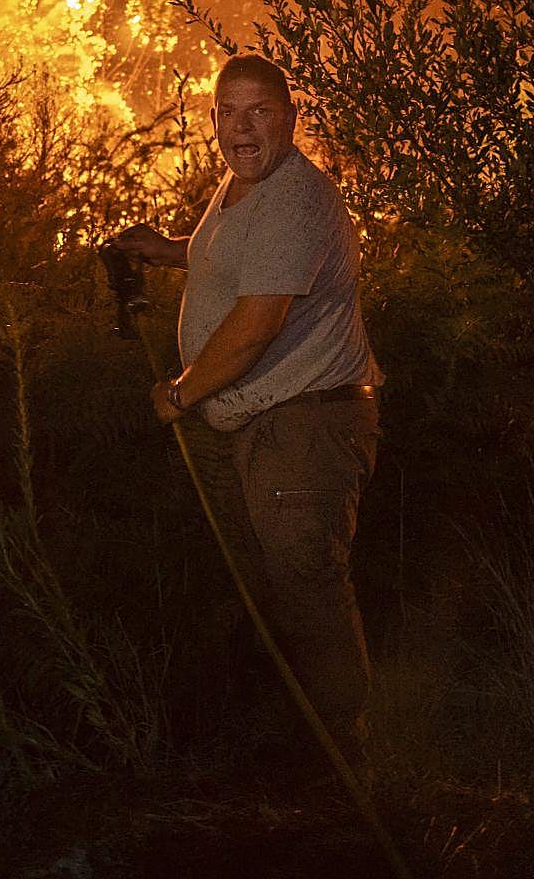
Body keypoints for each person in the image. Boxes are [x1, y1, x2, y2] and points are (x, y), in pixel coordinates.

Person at [113, 52, 385, 785]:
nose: (243, 127)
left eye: (259, 111)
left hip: (301, 423)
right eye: (229, 112)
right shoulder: (241, 186)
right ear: (212, 120)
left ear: (290, 118)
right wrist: (169, 251)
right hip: (259, 423)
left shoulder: (295, 196)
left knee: (305, 585)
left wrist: (180, 393)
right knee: (265, 586)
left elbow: (259, 321)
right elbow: (238, 259)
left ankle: (342, 765)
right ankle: (285, 748)